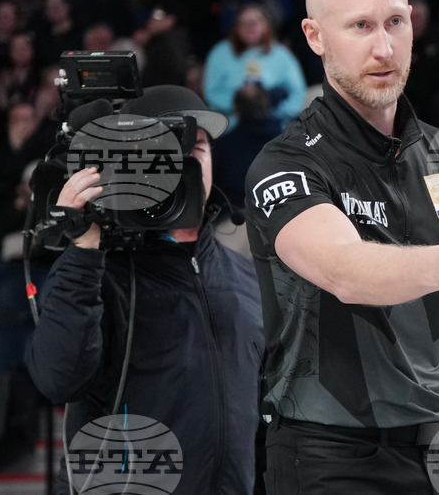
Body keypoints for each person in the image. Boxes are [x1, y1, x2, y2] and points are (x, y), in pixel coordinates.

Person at [244, 0, 439, 493]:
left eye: (395, 22)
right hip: (327, 455)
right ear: (316, 37)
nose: (384, 47)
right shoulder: (286, 163)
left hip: (434, 452)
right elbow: (345, 270)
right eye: (360, 26)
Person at [24, 85, 264, 495]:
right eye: (170, 149)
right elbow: (57, 379)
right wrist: (84, 251)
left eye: (199, 148)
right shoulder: (96, 268)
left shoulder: (243, 275)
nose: (187, 161)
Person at [204, 4, 307, 129]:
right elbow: (212, 92)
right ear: (236, 28)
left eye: (256, 21)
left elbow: (297, 93)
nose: (250, 27)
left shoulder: (282, 55)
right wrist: (241, 107)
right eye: (244, 23)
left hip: (273, 125)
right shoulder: (220, 52)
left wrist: (274, 114)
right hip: (232, 124)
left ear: (266, 25)